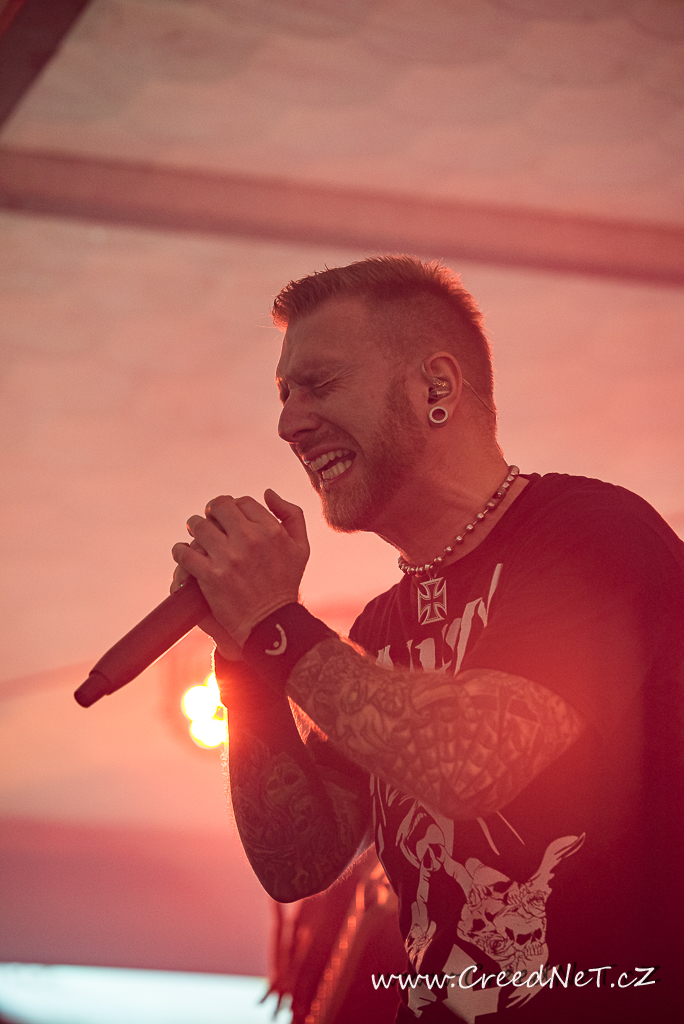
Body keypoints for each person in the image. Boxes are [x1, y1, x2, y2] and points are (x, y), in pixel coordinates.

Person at [171, 256, 683, 1022]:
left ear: (436, 388)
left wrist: (274, 626)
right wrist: (242, 661)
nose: (288, 425)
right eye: (284, 395)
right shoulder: (379, 627)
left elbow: (467, 764)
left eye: (320, 385)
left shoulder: (592, 536)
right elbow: (297, 861)